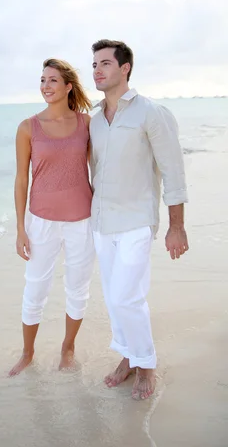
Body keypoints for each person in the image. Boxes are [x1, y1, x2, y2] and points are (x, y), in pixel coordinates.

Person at [89, 39, 189, 400]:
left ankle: (146, 364)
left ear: (125, 68)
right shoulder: (95, 120)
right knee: (114, 298)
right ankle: (128, 358)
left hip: (136, 219)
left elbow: (173, 171)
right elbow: (93, 171)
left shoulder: (151, 112)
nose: (97, 70)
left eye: (104, 63)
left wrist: (176, 226)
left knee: (127, 296)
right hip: (101, 222)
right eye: (94, 64)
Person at [9, 58, 96, 377]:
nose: (46, 86)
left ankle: (67, 348)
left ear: (68, 86)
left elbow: (98, 171)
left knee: (78, 288)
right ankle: (27, 353)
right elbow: (21, 180)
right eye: (42, 80)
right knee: (35, 288)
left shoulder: (87, 124)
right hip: (41, 221)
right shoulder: (27, 127)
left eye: (53, 81)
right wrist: (20, 228)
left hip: (82, 221)